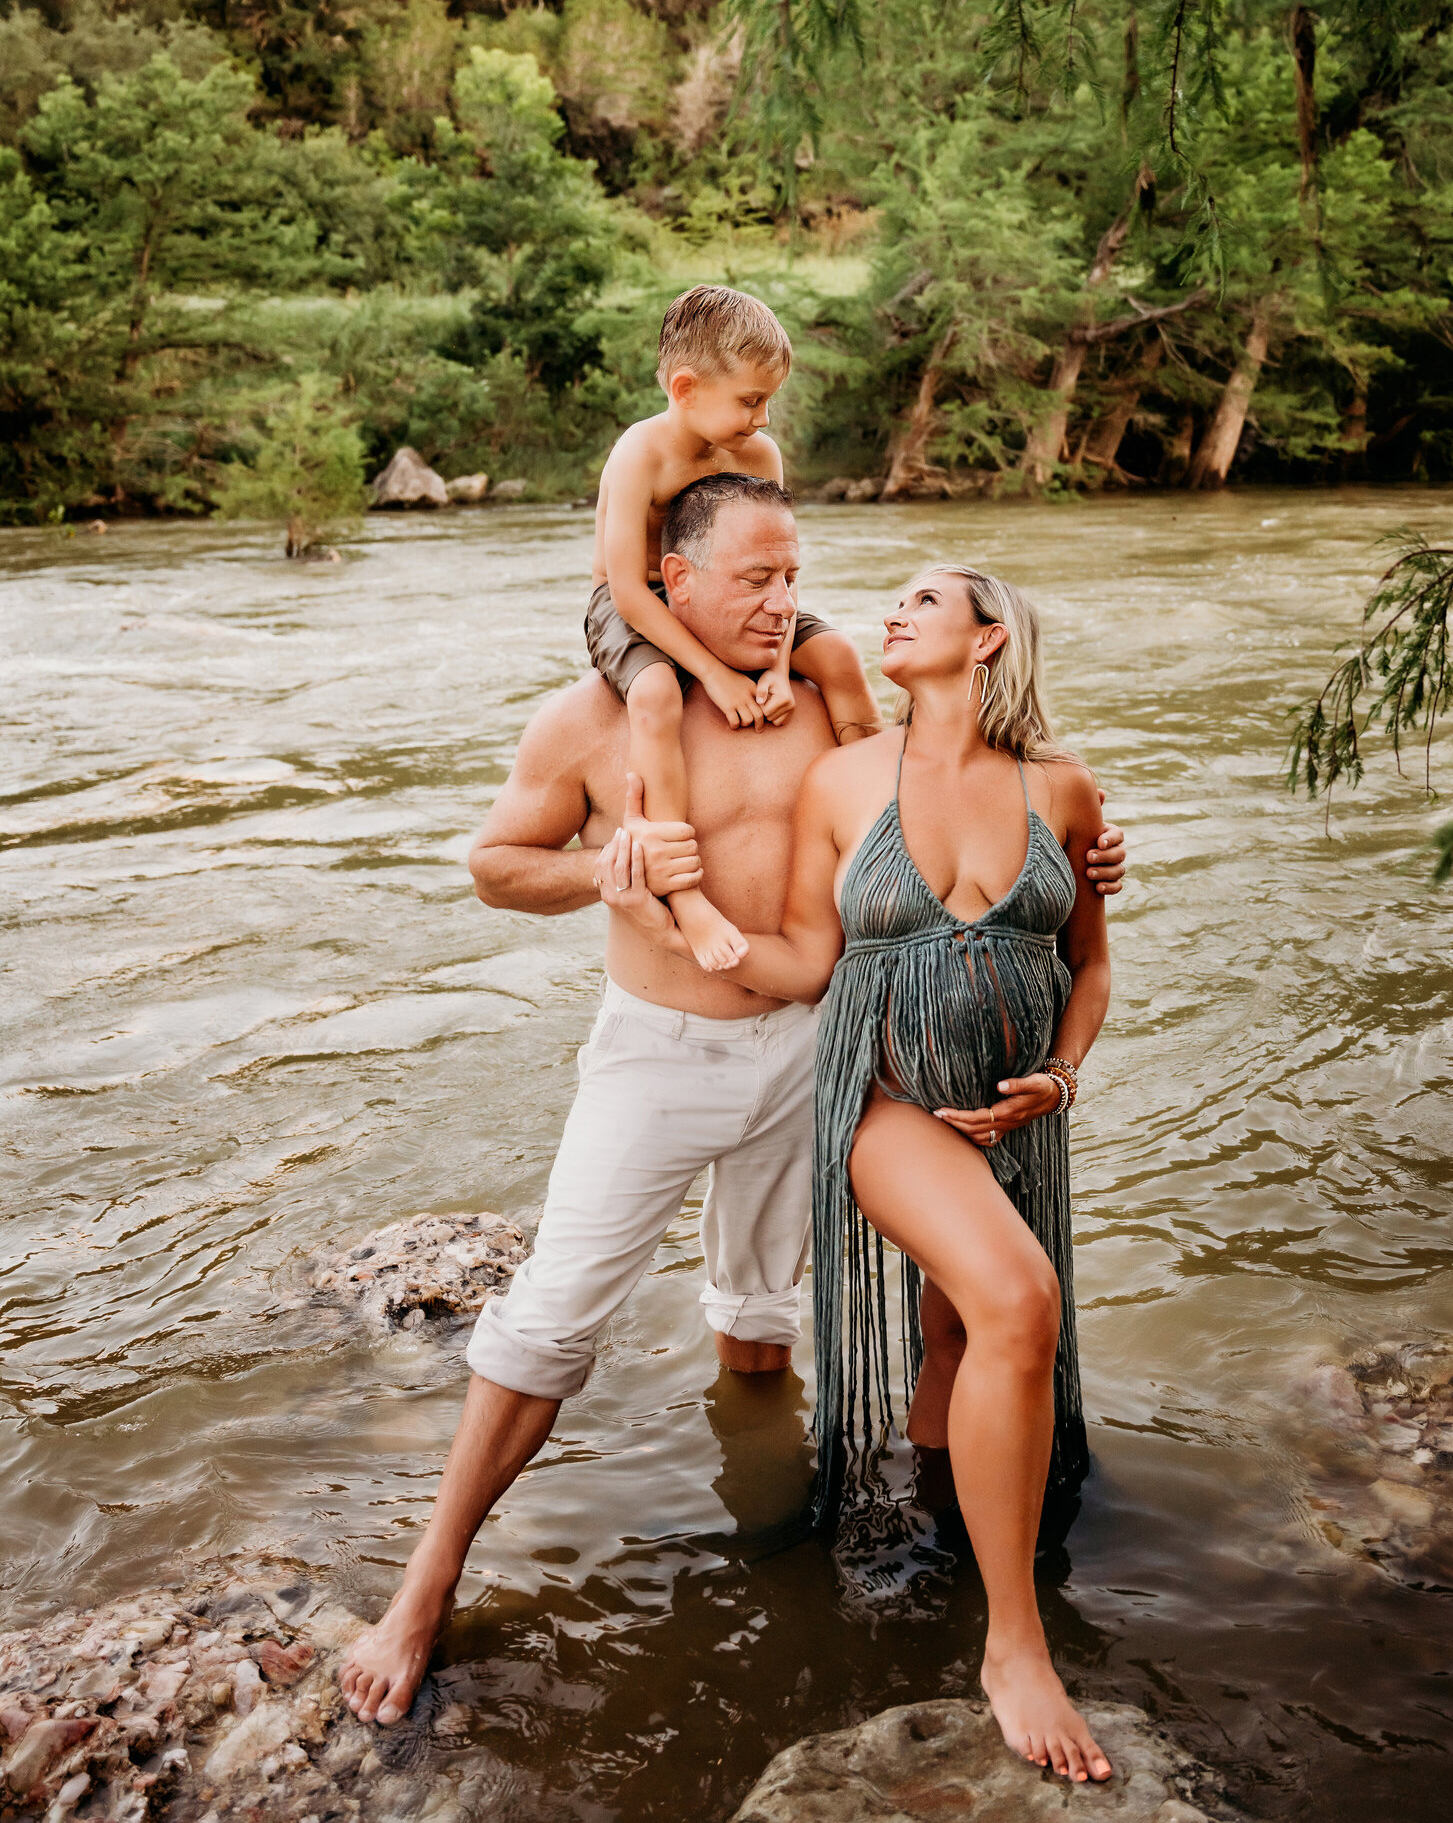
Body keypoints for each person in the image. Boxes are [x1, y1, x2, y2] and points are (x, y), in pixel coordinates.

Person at [337, 477, 1127, 1729]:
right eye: (752, 579)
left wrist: (1082, 856)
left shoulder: (827, 705)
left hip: (820, 1050)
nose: (783, 601)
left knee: (763, 1315)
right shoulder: (596, 718)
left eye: (791, 574)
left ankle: (781, 1506)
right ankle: (424, 1585)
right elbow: (494, 864)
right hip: (660, 1053)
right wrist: (612, 864)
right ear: (675, 582)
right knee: (550, 1318)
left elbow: (962, 809)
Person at [598, 563, 1113, 1785]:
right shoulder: (843, 779)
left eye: (924, 601)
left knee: (958, 1331)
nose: (892, 611)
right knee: (1017, 1302)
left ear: (987, 639)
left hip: (1015, 1110)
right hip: (881, 1100)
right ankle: (1015, 1644)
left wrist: (1064, 1075)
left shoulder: (1065, 789)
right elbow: (802, 955)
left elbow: (1089, 964)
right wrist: (674, 913)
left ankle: (938, 1532)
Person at [587, 283, 879, 973]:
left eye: (768, 399)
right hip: (635, 602)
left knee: (835, 653)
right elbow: (626, 587)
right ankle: (684, 891)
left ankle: (879, 827)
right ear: (686, 388)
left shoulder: (759, 456)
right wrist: (716, 674)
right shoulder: (641, 455)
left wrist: (778, 668)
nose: (763, 415)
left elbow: (778, 569)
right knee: (657, 696)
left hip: (737, 599)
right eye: (751, 400)